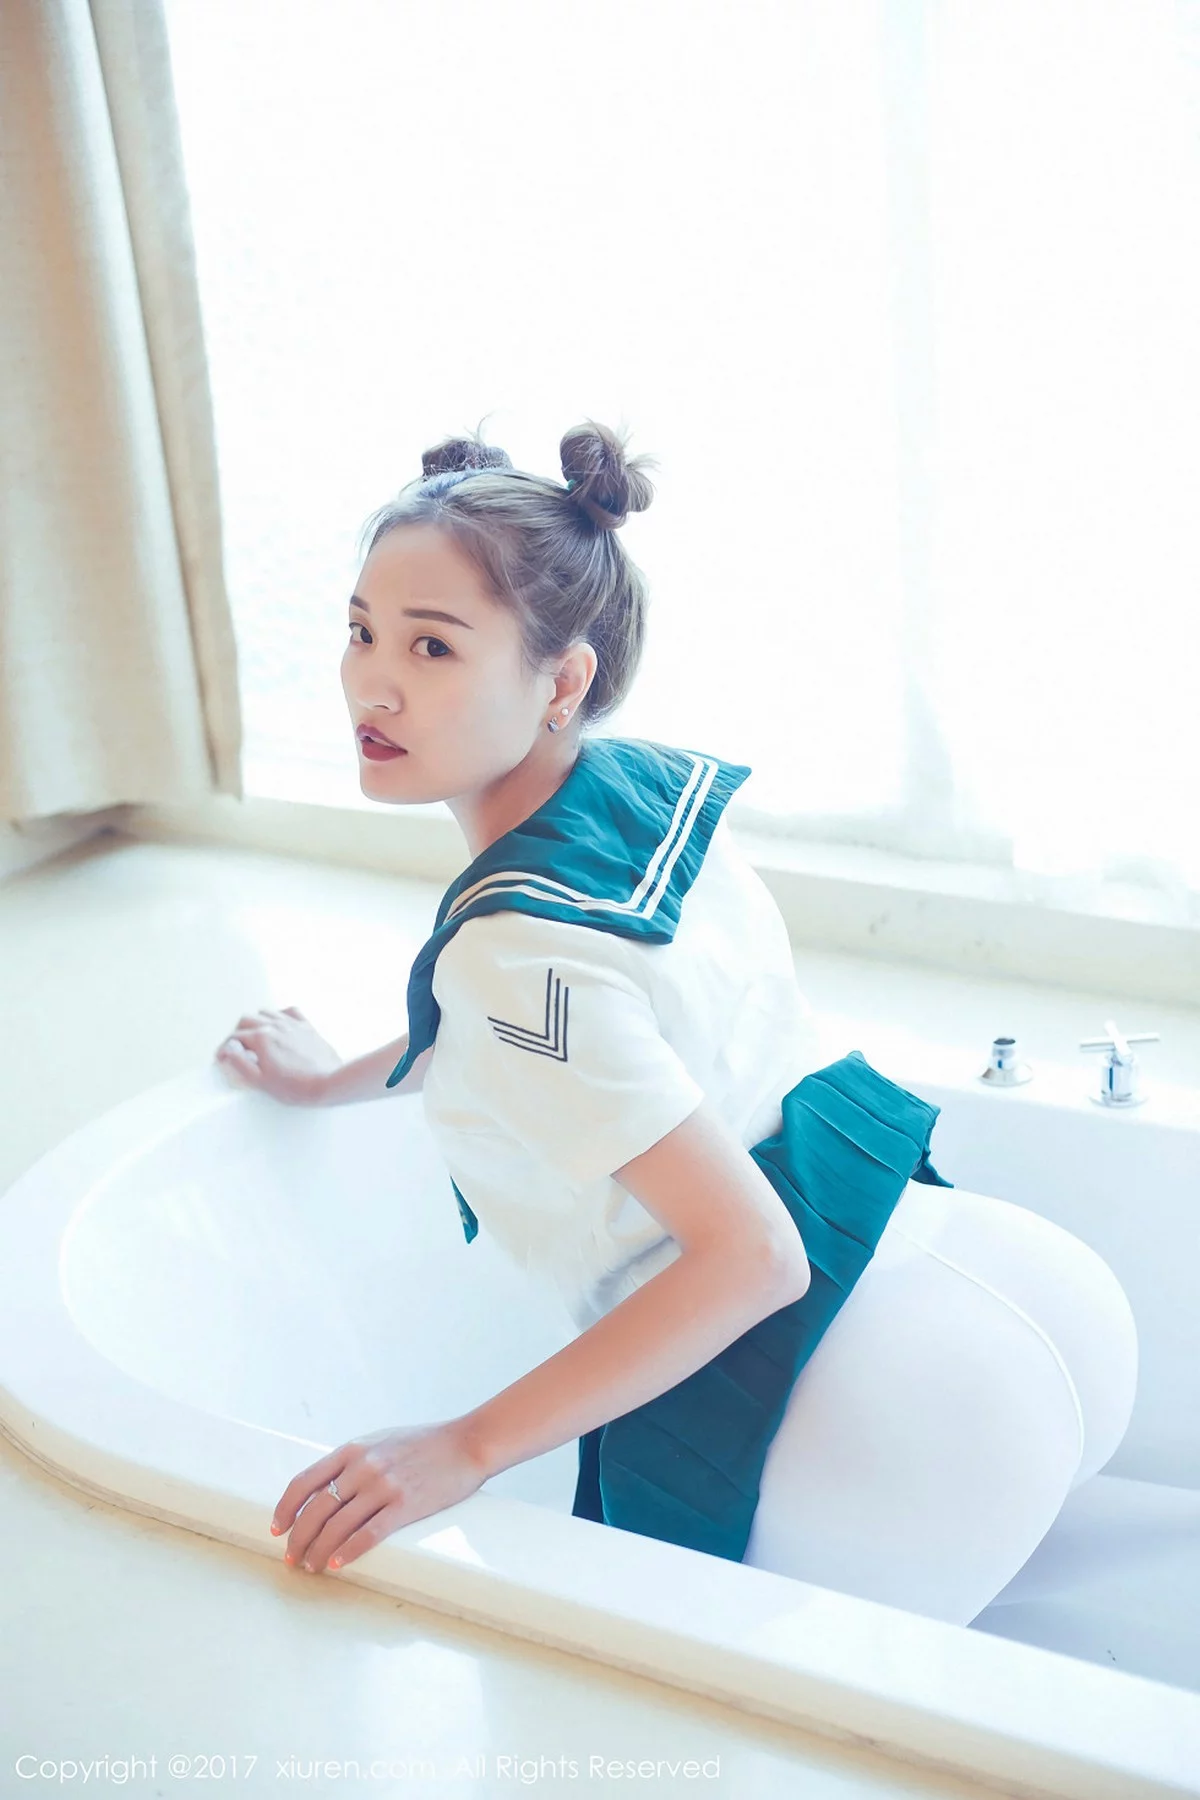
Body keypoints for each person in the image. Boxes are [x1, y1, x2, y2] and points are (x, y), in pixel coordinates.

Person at [215, 419, 1138, 1626]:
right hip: (1011, 1279)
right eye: (360, 631)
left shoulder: (514, 955)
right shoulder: (635, 797)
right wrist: (336, 1078)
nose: (372, 685)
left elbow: (753, 1255)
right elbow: (579, 1025)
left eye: (432, 646)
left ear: (562, 682)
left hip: (876, 1412)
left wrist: (465, 1446)